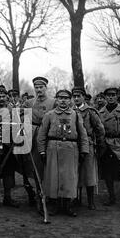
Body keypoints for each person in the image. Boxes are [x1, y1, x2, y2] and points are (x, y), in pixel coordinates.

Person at [37, 89, 89, 217]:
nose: (63, 101)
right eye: (60, 98)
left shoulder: (75, 115)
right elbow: (41, 135)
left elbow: (83, 134)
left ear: (70, 100)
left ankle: (68, 206)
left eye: (66, 98)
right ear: (57, 100)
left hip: (71, 149)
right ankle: (55, 205)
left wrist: (84, 150)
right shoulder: (49, 115)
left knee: (69, 177)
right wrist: (42, 151)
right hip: (53, 148)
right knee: (53, 177)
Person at [19, 76, 55, 205]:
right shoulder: (29, 103)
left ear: (46, 88)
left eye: (41, 87)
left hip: (49, 137)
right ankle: (39, 194)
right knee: (36, 166)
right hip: (34, 137)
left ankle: (51, 194)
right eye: (36, 87)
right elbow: (20, 114)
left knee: (50, 165)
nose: (39, 89)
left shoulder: (53, 102)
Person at [72, 87, 105, 210]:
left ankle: (91, 201)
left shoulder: (90, 111)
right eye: (74, 96)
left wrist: (100, 145)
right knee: (75, 172)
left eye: (78, 96)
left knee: (89, 172)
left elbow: (100, 129)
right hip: (74, 144)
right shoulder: (70, 111)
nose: (76, 98)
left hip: (89, 144)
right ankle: (76, 198)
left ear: (83, 97)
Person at [0, 86, 19, 208]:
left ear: (6, 97)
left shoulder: (11, 109)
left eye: (3, 96)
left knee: (8, 172)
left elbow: (17, 124)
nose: (1, 99)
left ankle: (8, 198)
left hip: (8, 146)